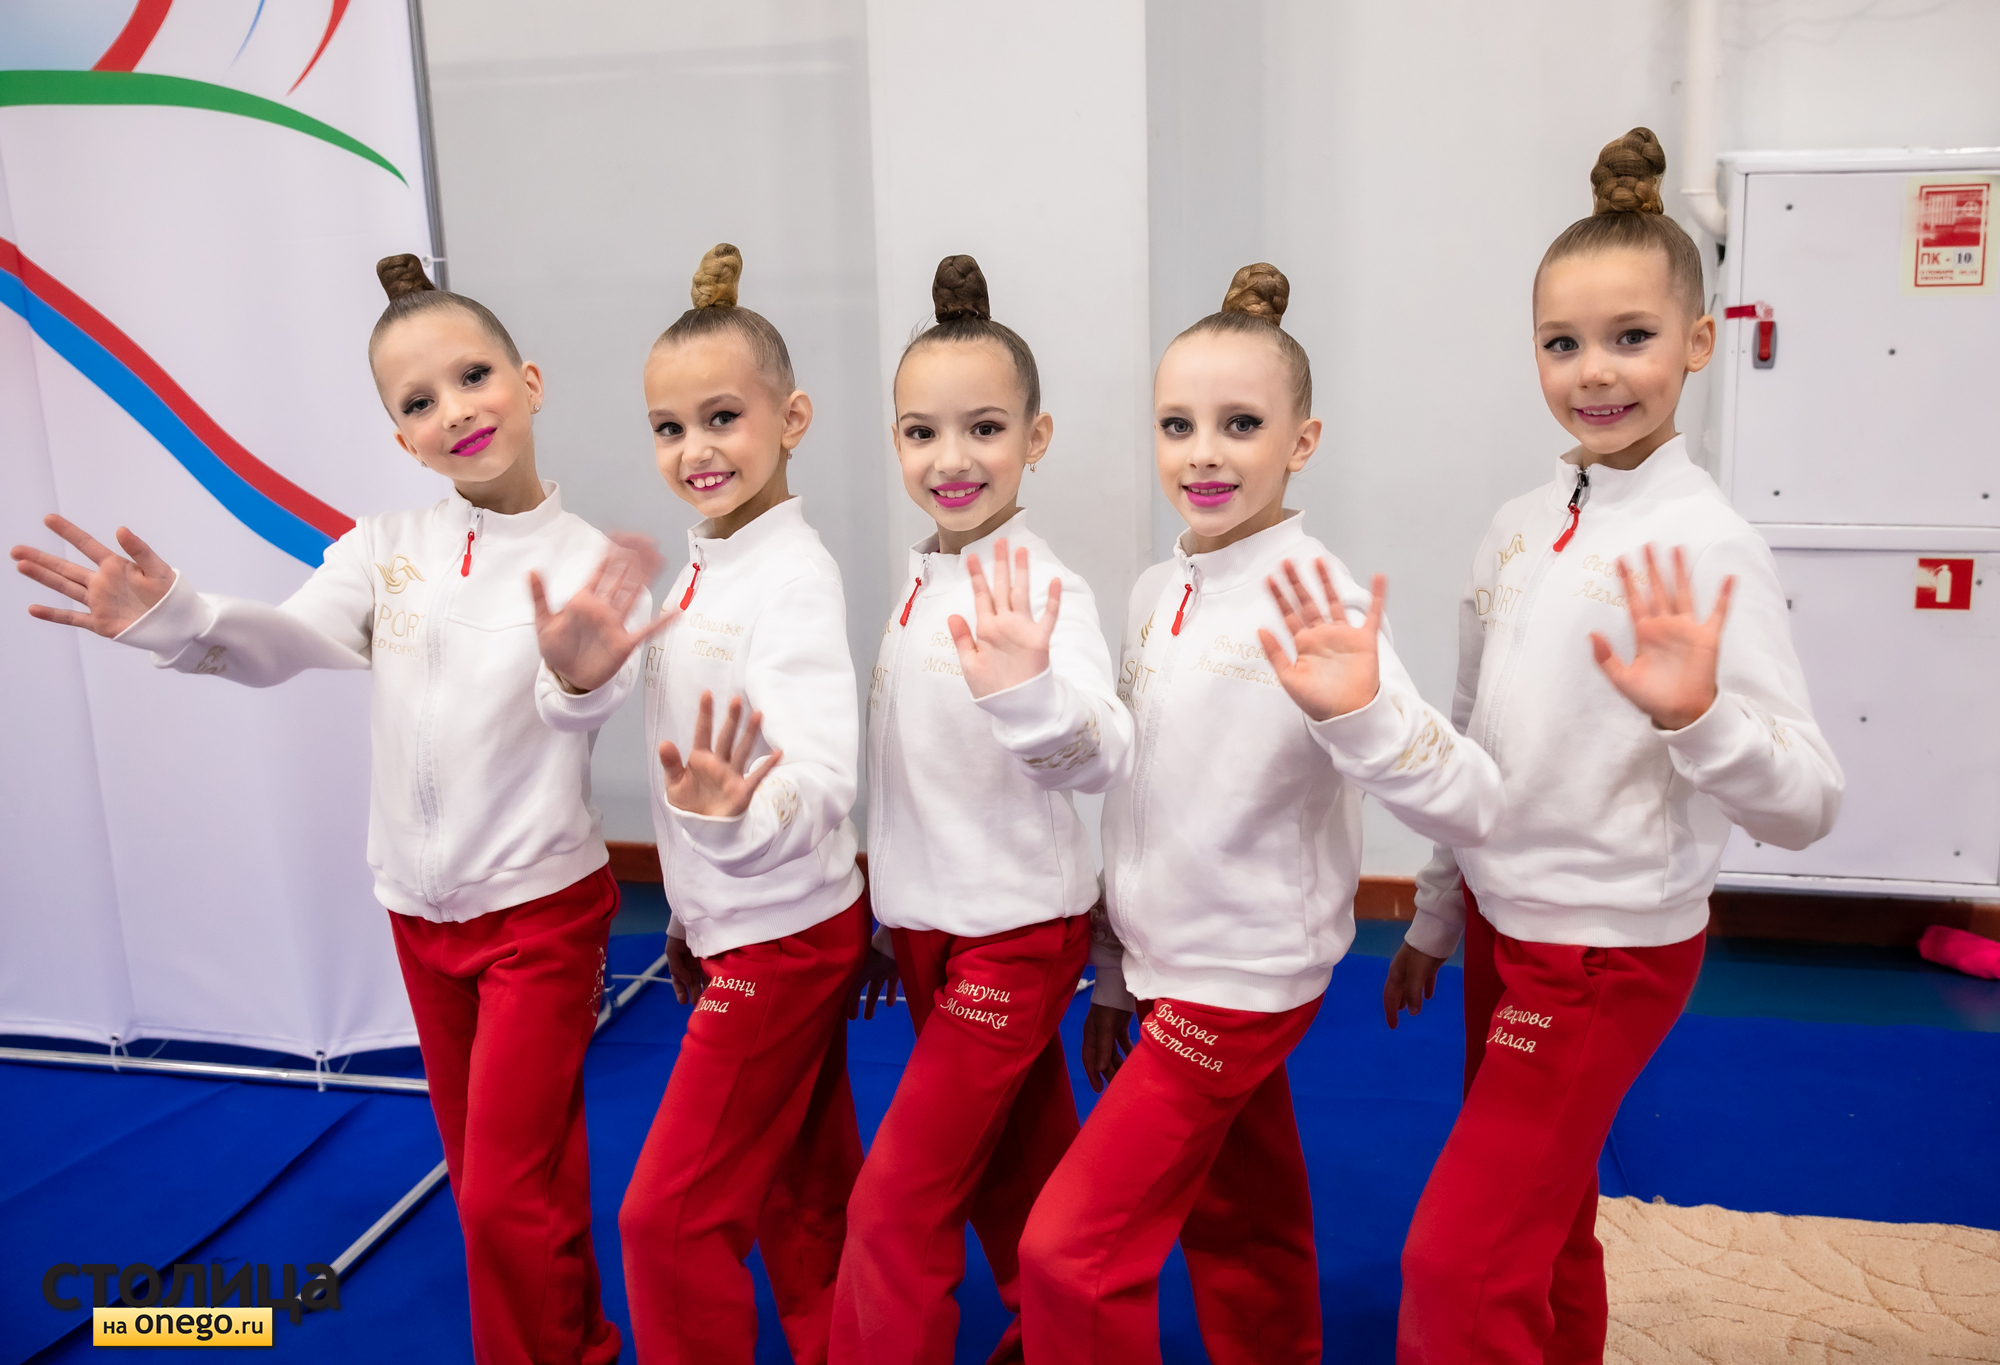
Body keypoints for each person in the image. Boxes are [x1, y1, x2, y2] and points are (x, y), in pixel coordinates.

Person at [11, 254, 654, 1365]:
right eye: (420, 401)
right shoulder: (381, 548)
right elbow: (288, 644)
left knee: (507, 1190)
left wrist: (582, 675)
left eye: (473, 377)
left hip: (540, 918)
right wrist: (176, 616)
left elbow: (576, 711)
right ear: (401, 438)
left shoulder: (587, 562)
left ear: (530, 382)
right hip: (418, 914)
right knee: (492, 1179)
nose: (456, 411)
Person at [1387, 128, 1843, 1365]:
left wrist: (1698, 718)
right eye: (1561, 343)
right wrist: (1436, 910)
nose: (1593, 372)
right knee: (1542, 1224)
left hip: (1603, 952)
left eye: (1630, 337)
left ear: (1697, 343)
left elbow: (1806, 803)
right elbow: (1473, 733)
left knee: (1454, 1262)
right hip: (1502, 924)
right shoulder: (1516, 525)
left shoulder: (1709, 544)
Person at [1018, 262, 1505, 1365]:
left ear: (1302, 440)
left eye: (1239, 424)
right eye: (1177, 424)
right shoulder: (1159, 590)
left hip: (1239, 981)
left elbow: (1472, 801)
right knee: (1240, 1216)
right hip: (1172, 964)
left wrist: (1366, 713)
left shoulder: (1317, 599)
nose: (1203, 452)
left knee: (1068, 1254)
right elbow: (1138, 797)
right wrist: (1115, 968)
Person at [829, 255, 1133, 1365]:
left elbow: (1105, 752)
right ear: (896, 440)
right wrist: (885, 912)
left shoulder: (1044, 591)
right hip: (927, 930)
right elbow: (909, 771)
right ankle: (1059, 1338)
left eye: (985, 429)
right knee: (1015, 1160)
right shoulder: (920, 581)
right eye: (922, 433)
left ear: (1035, 437)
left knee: (896, 1202)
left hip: (1013, 936)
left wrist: (1031, 695)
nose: (951, 459)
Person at [609, 244, 870, 1365]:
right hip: (746, 924)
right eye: (669, 428)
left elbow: (821, 777)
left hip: (784, 935)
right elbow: (699, 782)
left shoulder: (792, 576)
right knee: (804, 1188)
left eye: (722, 418)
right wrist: (688, 911)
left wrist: (728, 834)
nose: (696, 449)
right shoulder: (701, 569)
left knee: (664, 1220)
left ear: (791, 417)